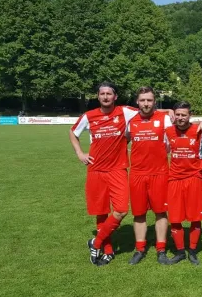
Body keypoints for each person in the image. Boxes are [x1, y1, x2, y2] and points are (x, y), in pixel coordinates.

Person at [69, 82, 140, 266]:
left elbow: (147, 109)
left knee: (121, 209)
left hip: (117, 170)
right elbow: (73, 132)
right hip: (96, 170)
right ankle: (108, 251)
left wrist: (169, 112)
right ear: (98, 96)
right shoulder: (89, 116)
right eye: (102, 94)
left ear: (115, 96)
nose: (106, 97)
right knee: (101, 212)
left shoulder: (124, 112)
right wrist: (80, 153)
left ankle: (96, 242)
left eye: (109, 94)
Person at [126, 86, 173, 265]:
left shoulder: (164, 119)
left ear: (154, 102)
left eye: (149, 100)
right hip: (137, 174)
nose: (146, 104)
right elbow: (123, 140)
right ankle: (140, 249)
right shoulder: (130, 121)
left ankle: (161, 249)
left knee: (161, 212)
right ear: (137, 102)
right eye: (143, 100)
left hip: (159, 173)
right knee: (138, 214)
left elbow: (173, 140)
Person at [165, 101, 202, 266]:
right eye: (178, 114)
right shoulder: (168, 132)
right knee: (175, 218)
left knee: (195, 217)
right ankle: (180, 251)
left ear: (190, 116)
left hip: (194, 178)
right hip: (174, 179)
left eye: (184, 115)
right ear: (174, 115)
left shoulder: (199, 130)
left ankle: (193, 251)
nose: (181, 118)